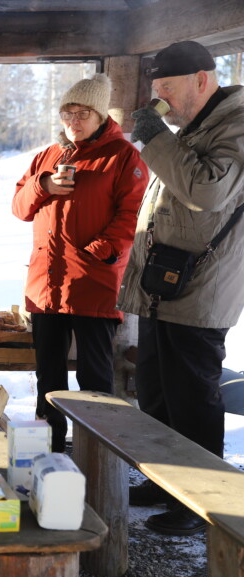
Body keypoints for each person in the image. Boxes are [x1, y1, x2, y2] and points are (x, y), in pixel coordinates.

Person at [119, 40, 244, 536]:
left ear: (201, 79)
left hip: (202, 286)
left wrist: (155, 140)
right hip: (165, 283)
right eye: (156, 90)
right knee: (156, 392)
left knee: (192, 398)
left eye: (167, 88)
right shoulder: (193, 126)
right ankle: (165, 482)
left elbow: (206, 193)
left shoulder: (235, 123)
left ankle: (202, 502)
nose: (161, 99)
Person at [12, 73, 149, 453]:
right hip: (46, 286)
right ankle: (49, 451)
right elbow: (19, 207)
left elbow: (133, 214)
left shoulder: (123, 157)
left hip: (93, 284)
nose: (73, 121)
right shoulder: (47, 156)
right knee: (49, 379)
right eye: (66, 113)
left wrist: (102, 251)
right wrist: (43, 185)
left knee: (94, 381)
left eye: (82, 113)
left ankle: (95, 457)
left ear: (100, 114)